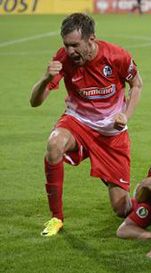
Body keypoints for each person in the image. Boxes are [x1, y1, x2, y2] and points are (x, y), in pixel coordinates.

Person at [30, 13, 143, 236]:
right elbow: (35, 102)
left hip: (111, 132)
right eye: (66, 45)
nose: (70, 51)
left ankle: (141, 191)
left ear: (91, 39)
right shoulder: (63, 58)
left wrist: (126, 115)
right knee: (54, 144)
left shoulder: (117, 56)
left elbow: (137, 85)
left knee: (122, 209)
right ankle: (56, 218)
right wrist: (45, 78)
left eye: (75, 45)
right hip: (78, 123)